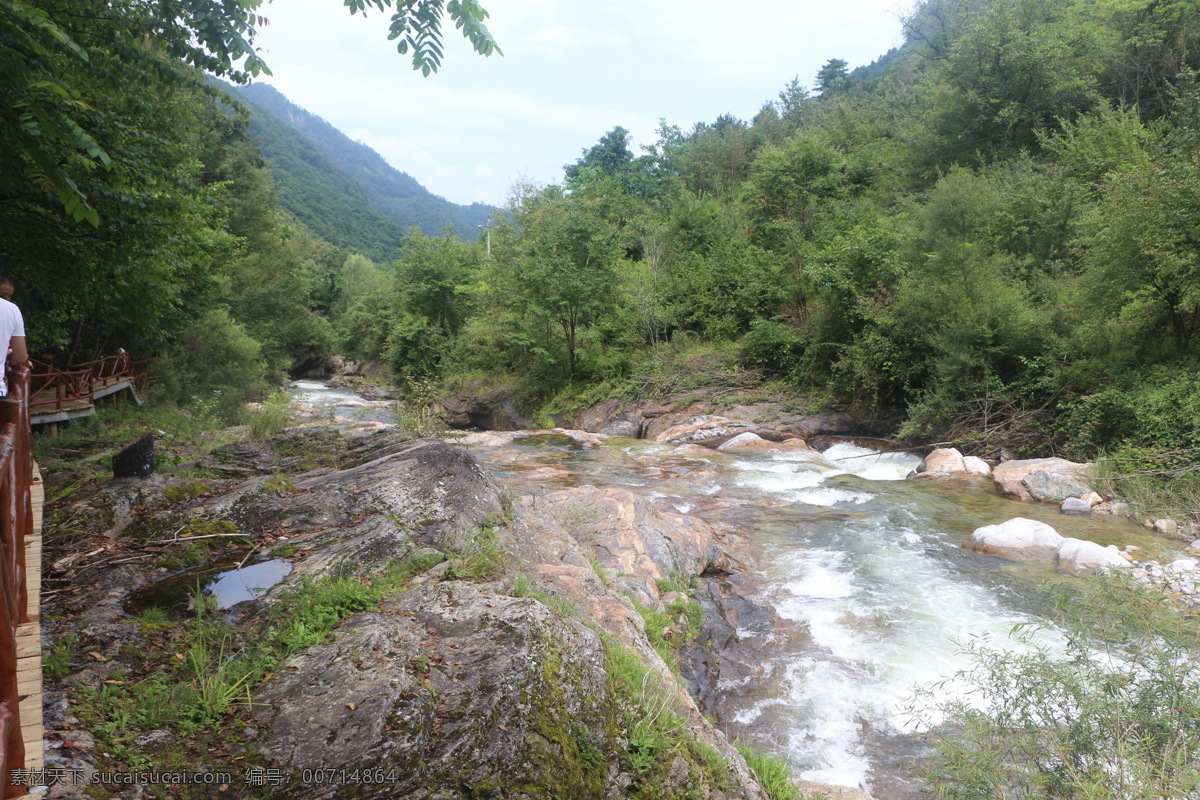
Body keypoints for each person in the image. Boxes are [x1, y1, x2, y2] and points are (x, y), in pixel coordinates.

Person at [0, 277, 27, 397]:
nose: (6, 298)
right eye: (4, 294)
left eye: (9, 295)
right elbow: (20, 357)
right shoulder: (12, 309)